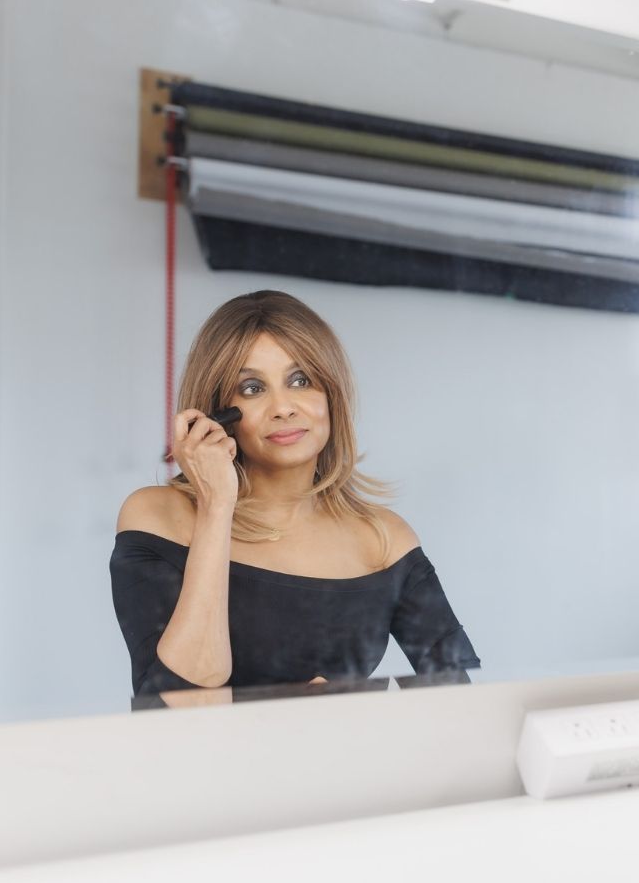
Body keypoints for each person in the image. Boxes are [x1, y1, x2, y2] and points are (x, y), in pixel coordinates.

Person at [111, 290, 479, 696]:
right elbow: (176, 700)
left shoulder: (384, 539)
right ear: (218, 413)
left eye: (300, 380)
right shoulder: (157, 515)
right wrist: (217, 506)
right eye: (251, 388)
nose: (283, 407)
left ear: (330, 395)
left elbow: (457, 698)